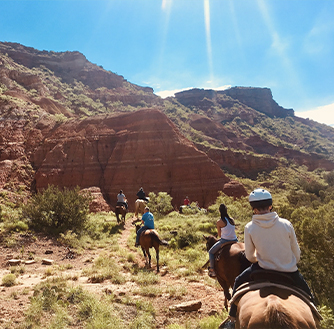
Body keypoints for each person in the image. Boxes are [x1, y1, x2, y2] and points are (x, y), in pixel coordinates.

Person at [222, 188, 314, 329]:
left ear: (253, 208)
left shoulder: (249, 227)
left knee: (238, 281)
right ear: (270, 205)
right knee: (308, 295)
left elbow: (250, 256)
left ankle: (232, 318)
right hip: (289, 271)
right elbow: (297, 253)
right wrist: (289, 263)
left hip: (261, 268)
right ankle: (317, 315)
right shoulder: (286, 224)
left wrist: (260, 260)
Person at [208, 204, 238, 277]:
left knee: (211, 252)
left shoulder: (219, 222)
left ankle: (212, 269)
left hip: (225, 241)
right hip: (235, 240)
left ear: (219, 211)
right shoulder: (232, 220)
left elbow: (220, 235)